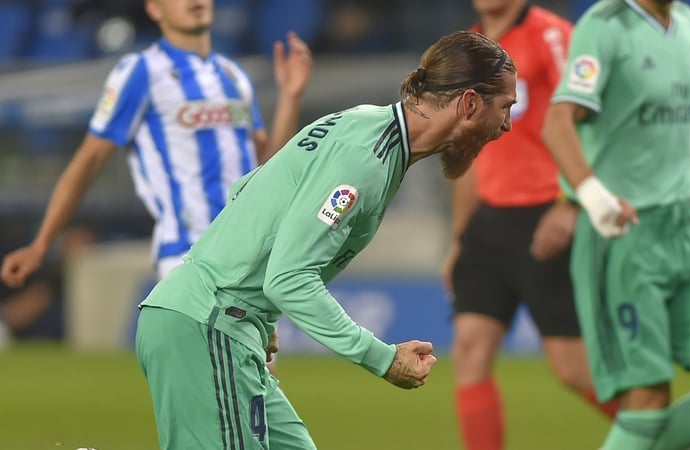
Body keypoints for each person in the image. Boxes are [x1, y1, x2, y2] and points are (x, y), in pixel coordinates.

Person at [134, 30, 516, 449]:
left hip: (223, 322)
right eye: (504, 107)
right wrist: (383, 359)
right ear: (469, 103)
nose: (507, 125)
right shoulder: (366, 159)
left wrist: (262, 312)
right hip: (209, 323)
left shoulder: (365, 125)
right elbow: (289, 277)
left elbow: (247, 188)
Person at [541, 1, 690, 449]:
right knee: (646, 399)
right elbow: (558, 121)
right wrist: (592, 197)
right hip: (621, 233)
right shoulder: (603, 25)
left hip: (681, 225)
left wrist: (684, 226)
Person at [0, 0, 313, 288]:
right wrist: (41, 244)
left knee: (252, 352)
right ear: (154, 9)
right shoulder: (141, 72)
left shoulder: (233, 75)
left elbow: (268, 169)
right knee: (207, 351)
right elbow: (89, 161)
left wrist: (291, 97)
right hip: (189, 254)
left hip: (251, 253)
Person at [441, 2, 618, 449]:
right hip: (488, 220)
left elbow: (593, 121)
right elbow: (465, 149)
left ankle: (654, 424)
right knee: (469, 352)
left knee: (572, 370)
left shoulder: (553, 35)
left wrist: (572, 201)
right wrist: (461, 238)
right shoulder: (470, 46)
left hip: (545, 213)